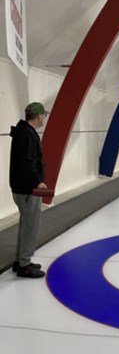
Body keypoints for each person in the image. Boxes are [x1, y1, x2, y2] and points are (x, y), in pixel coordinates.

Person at [8, 102, 48, 278]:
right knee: (31, 225)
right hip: (27, 188)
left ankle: (19, 261)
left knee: (26, 224)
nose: (44, 118)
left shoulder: (23, 131)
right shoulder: (27, 134)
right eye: (44, 115)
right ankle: (25, 264)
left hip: (20, 186)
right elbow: (28, 161)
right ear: (38, 116)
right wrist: (37, 182)